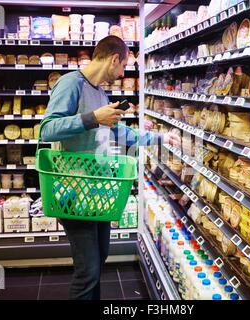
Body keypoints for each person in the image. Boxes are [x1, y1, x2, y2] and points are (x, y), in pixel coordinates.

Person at [40, 35, 180, 300]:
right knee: (88, 271)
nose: (123, 72)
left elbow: (120, 133)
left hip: (97, 190)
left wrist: (160, 138)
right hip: (74, 190)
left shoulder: (100, 92)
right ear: (114, 59)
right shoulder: (71, 83)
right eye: (124, 65)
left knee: (100, 257)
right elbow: (47, 130)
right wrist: (94, 118)